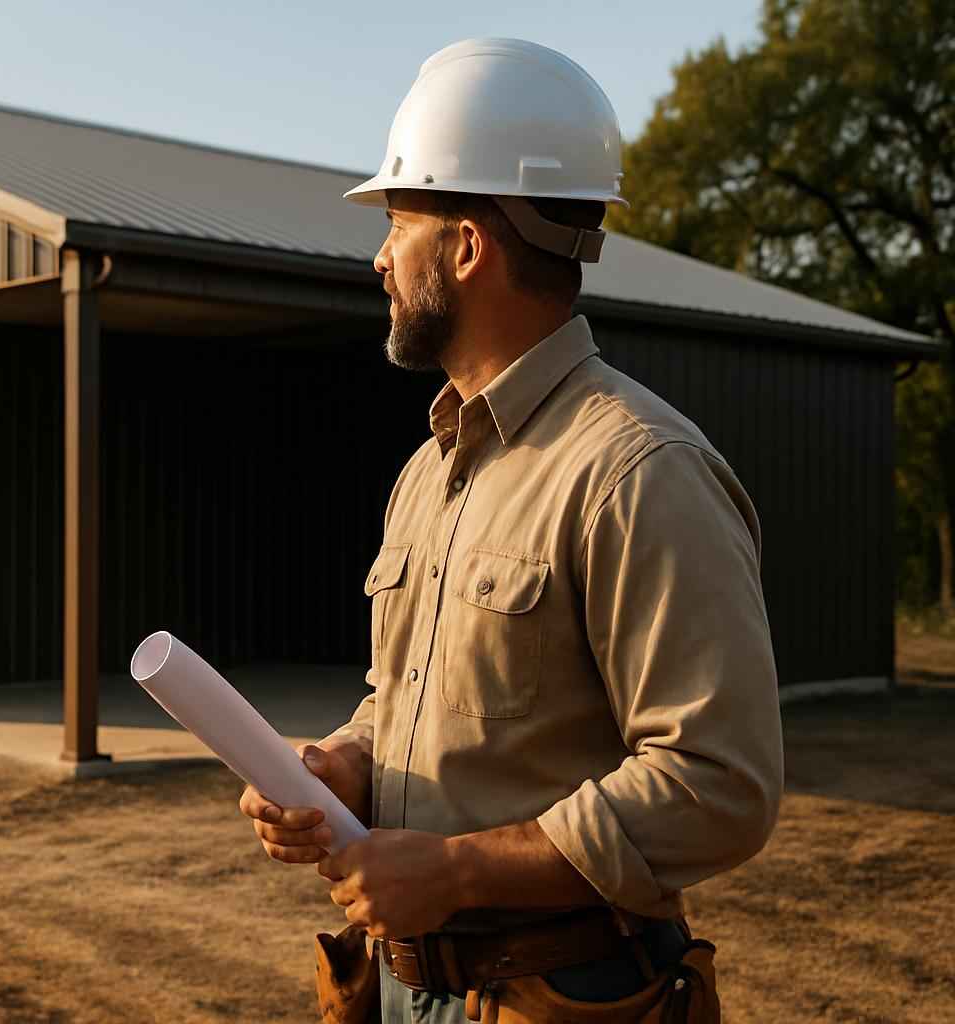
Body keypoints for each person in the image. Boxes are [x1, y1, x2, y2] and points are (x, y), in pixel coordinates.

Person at [238, 38, 783, 1024]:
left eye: (396, 222)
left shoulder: (638, 471)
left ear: (466, 245)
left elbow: (721, 781)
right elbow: (407, 693)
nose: (378, 257)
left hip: (560, 999)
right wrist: (345, 762)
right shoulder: (428, 471)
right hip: (401, 985)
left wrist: (459, 870)